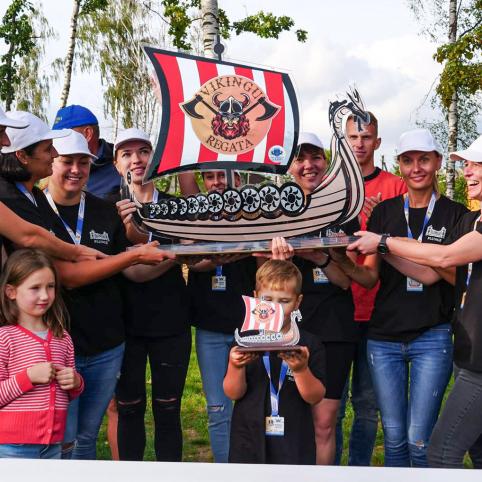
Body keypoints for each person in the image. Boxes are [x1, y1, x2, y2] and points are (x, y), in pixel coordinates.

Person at [0, 112, 173, 460]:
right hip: (49, 339)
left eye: (84, 161)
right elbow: (61, 270)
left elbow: (127, 267)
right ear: (25, 156)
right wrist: (120, 257)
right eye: (59, 157)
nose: (74, 168)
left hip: (103, 341)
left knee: (83, 436)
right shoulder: (23, 200)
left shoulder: (94, 207)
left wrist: (169, 253)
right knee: (53, 440)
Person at [332, 128, 467, 467]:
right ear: (399, 165)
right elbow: (368, 277)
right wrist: (337, 259)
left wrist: (389, 245)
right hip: (384, 338)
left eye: (424, 159)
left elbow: (455, 276)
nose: (416, 168)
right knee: (393, 439)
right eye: (408, 161)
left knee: (419, 439)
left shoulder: (456, 213)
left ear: (438, 162)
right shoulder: (385, 212)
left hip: (432, 335)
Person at [113, 128, 191, 462]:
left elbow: (199, 253)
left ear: (155, 157)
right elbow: (128, 271)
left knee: (168, 409)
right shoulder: (108, 209)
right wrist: (177, 253)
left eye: (143, 151)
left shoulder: (177, 207)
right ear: (116, 164)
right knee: (129, 408)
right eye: (127, 154)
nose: (136, 160)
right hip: (124, 326)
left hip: (170, 324)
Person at [335, 111, 407, 466]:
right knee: (331, 405)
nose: (360, 143)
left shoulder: (396, 186)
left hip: (380, 312)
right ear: (344, 141)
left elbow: (415, 240)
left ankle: (358, 468)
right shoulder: (330, 187)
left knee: (366, 405)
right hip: (335, 308)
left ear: (377, 142)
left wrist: (386, 218)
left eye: (366, 137)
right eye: (353, 137)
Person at [287, 132, 359, 465]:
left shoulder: (343, 211)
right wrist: (280, 257)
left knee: (324, 424)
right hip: (291, 329)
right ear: (289, 167)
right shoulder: (277, 212)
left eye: (315, 157)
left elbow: (346, 281)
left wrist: (321, 258)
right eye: (300, 159)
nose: (308, 165)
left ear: (325, 162)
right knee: (288, 419)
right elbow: (266, 279)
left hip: (335, 329)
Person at [184, 169, 257, 463]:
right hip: (210, 328)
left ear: (237, 180)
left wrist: (238, 247)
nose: (217, 182)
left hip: (248, 328)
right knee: (218, 409)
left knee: (252, 406)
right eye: (210, 177)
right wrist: (214, 256)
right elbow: (188, 257)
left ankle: (252, 468)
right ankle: (225, 470)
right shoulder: (196, 215)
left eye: (223, 176)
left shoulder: (253, 216)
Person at [224, 259, 326, 465]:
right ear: (256, 298)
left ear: (297, 302)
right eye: (268, 299)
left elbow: (315, 397)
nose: (275, 308)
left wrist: (301, 370)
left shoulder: (307, 343)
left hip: (294, 441)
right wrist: (236, 366)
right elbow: (233, 393)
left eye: (284, 301)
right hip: (248, 438)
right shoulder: (244, 341)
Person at [0, 249, 83, 459]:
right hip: (12, 446)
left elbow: (71, 392)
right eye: (35, 288)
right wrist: (28, 377)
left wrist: (76, 382)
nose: (45, 295)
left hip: (53, 444)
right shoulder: (4, 338)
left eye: (50, 286)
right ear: (11, 292)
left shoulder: (62, 337)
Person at [0, 106, 102, 263]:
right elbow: (30, 237)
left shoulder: (36, 195)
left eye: (83, 162)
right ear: (22, 156)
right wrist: (131, 257)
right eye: (48, 149)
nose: (55, 153)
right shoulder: (7, 195)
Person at [52, 105, 120, 200]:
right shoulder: (51, 165)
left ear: (87, 134)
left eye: (63, 135)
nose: (56, 142)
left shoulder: (123, 163)